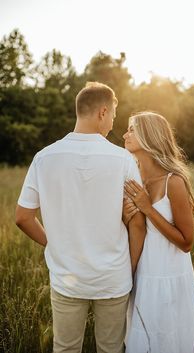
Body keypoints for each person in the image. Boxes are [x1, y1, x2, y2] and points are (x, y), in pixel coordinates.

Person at [15, 82, 146, 353]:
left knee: (65, 349)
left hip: (66, 276)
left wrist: (55, 245)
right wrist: (129, 267)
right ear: (102, 112)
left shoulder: (44, 157)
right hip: (113, 278)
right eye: (112, 115)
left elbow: (23, 217)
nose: (112, 122)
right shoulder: (122, 159)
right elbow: (137, 222)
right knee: (111, 349)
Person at [122, 112, 194, 353]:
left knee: (169, 339)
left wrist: (148, 209)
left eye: (132, 129)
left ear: (150, 137)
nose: (125, 135)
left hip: (169, 275)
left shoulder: (174, 182)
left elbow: (187, 242)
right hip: (143, 274)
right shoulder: (132, 178)